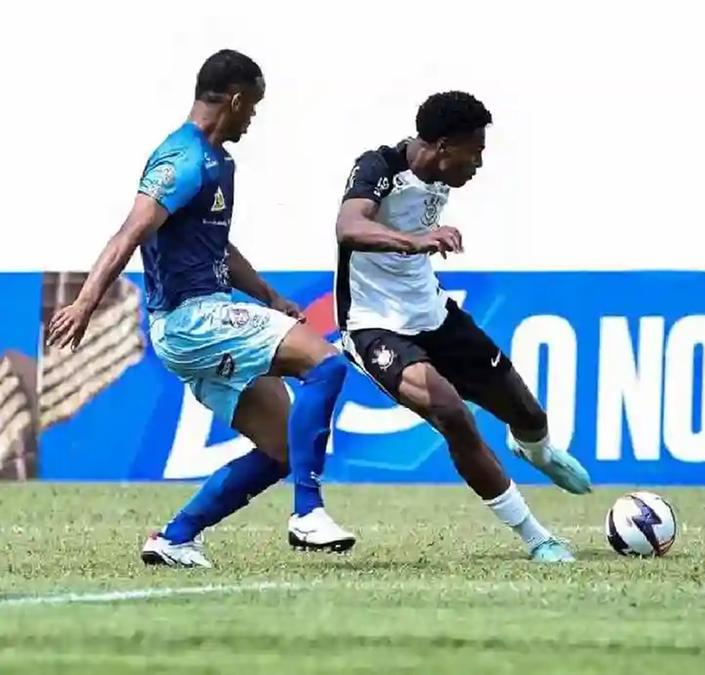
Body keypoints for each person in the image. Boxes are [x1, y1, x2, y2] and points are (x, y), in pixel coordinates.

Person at [47, 49, 355, 568]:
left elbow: (218, 247)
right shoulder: (183, 158)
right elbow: (130, 232)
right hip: (193, 319)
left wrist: (269, 297)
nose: (253, 119)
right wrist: (84, 302)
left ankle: (176, 536)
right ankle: (308, 512)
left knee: (282, 447)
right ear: (234, 100)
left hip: (200, 321)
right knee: (325, 364)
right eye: (252, 108)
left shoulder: (219, 163)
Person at [334, 91, 591, 562]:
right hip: (375, 326)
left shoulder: (438, 173)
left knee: (528, 416)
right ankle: (538, 538)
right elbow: (349, 227)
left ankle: (538, 452)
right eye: (475, 152)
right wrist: (414, 242)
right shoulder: (379, 167)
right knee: (453, 414)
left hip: (434, 314)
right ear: (445, 145)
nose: (478, 164)